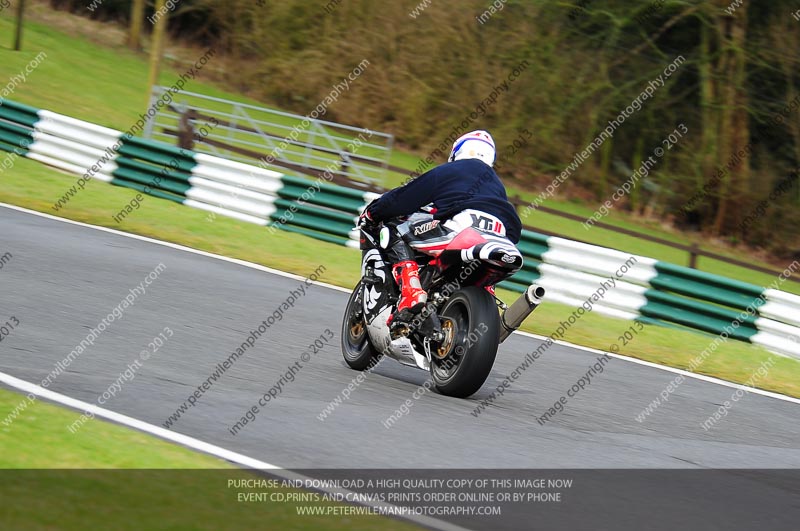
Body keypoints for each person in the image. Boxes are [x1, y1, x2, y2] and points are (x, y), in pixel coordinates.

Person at [359, 130, 523, 324]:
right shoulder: (497, 186)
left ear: (457, 152)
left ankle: (411, 293)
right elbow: (513, 229)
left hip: (461, 229)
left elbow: (403, 199)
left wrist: (373, 212)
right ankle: (484, 294)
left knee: (395, 228)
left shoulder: (452, 170)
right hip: (500, 238)